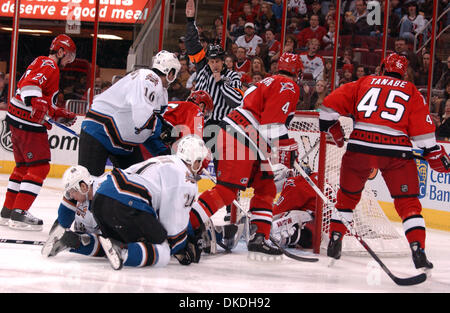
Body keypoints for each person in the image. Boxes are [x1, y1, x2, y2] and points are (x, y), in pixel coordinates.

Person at [319, 53, 450, 271]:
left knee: (347, 197)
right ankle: (418, 249)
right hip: (396, 153)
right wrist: (433, 152)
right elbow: (425, 138)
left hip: (359, 147)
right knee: (408, 203)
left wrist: (332, 128)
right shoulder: (411, 91)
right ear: (404, 73)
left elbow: (326, 110)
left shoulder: (363, 82)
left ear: (382, 68)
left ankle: (335, 238)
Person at [190, 52, 303, 258]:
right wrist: (289, 147)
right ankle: (187, 227)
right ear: (299, 73)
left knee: (266, 186)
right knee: (227, 192)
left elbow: (267, 124)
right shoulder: (288, 85)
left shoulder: (269, 81)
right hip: (240, 136)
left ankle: (259, 237)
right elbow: (272, 125)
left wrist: (287, 148)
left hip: (247, 139)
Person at [91, 135, 210, 270]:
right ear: (196, 160)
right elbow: (172, 226)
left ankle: (84, 242)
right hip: (126, 205)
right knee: (163, 250)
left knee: (125, 241)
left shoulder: (165, 160)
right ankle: (123, 251)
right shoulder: (186, 180)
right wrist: (182, 247)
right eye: (200, 161)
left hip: (100, 200)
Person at [0, 34, 77, 230]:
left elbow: (39, 97)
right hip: (27, 124)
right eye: (68, 56)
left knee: (23, 166)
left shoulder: (42, 63)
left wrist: (57, 112)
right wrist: (36, 102)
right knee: (39, 167)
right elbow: (29, 87)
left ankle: (8, 210)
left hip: (16, 119)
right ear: (59, 51)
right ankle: (19, 213)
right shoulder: (50, 66)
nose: (69, 61)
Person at [78, 50, 181, 177]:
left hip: (124, 143)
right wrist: (161, 129)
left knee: (138, 185)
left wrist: (165, 154)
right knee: (86, 186)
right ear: (170, 72)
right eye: (175, 73)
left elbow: (147, 131)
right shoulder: (149, 78)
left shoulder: (160, 91)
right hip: (100, 132)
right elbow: (142, 119)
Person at [41, 165, 107, 258]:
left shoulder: (103, 196)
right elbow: (63, 219)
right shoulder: (84, 189)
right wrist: (60, 229)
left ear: (83, 186)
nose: (71, 196)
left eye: (72, 191)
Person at [144, 90, 214, 157]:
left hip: (142, 127)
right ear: (201, 106)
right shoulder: (196, 110)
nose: (205, 116)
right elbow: (194, 140)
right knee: (176, 163)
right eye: (207, 112)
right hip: (155, 131)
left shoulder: (178, 105)